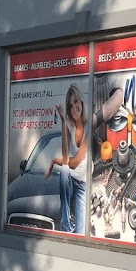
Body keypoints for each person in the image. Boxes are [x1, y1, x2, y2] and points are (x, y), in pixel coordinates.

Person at [44, 84, 88, 233]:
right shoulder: (70, 126)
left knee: (81, 232)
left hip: (82, 185)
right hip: (70, 180)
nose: (74, 108)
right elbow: (66, 158)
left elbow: (74, 162)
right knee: (64, 170)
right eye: (70, 106)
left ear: (81, 101)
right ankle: (65, 225)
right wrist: (63, 121)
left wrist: (53, 161)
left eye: (76, 102)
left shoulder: (89, 126)